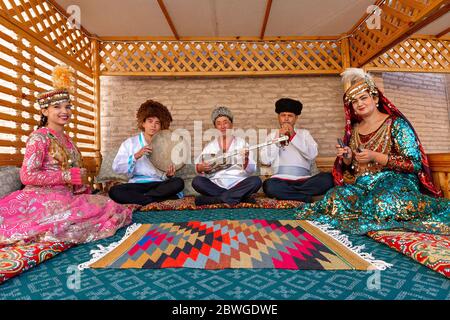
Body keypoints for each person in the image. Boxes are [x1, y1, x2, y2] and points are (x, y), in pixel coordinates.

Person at [295, 68, 449, 235]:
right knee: (334, 197)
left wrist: (375, 156)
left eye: (363, 98)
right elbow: (352, 168)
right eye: (354, 101)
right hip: (363, 184)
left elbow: (414, 164)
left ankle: (436, 205)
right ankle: (368, 209)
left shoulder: (396, 124)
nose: (359, 104)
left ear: (375, 98)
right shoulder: (354, 129)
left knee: (382, 203)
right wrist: (348, 157)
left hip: (395, 182)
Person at [0, 65, 133, 245]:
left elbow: (73, 172)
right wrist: (66, 176)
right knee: (89, 215)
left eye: (68, 106)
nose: (65, 111)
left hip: (67, 196)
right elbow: (26, 175)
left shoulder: (67, 139)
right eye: (57, 107)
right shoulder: (39, 137)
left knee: (110, 206)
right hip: (42, 197)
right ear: (45, 111)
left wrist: (78, 183)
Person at [108, 100, 184, 206]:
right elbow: (116, 167)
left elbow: (164, 175)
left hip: (157, 184)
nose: (153, 125)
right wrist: (136, 156)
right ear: (143, 123)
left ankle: (144, 199)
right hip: (137, 185)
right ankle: (154, 199)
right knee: (114, 191)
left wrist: (168, 175)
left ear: (161, 126)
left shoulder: (166, 144)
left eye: (157, 123)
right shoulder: (130, 143)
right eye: (150, 121)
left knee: (178, 183)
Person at [260, 98, 334, 202]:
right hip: (280, 180)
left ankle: (291, 195)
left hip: (305, 180)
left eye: (290, 116)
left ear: (296, 118)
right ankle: (304, 197)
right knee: (269, 186)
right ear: (278, 117)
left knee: (328, 179)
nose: (286, 119)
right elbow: (265, 160)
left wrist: (293, 136)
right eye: (283, 115)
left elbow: (312, 155)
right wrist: (277, 139)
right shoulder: (271, 135)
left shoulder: (304, 134)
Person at [192, 106, 262, 206]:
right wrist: (200, 167)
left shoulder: (242, 143)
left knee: (256, 181)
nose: (222, 126)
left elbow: (251, 170)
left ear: (231, 124)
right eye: (218, 123)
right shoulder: (210, 146)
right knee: (197, 181)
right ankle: (240, 198)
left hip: (238, 183)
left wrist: (245, 158)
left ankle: (213, 200)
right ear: (215, 127)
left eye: (225, 122)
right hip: (216, 185)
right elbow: (199, 167)